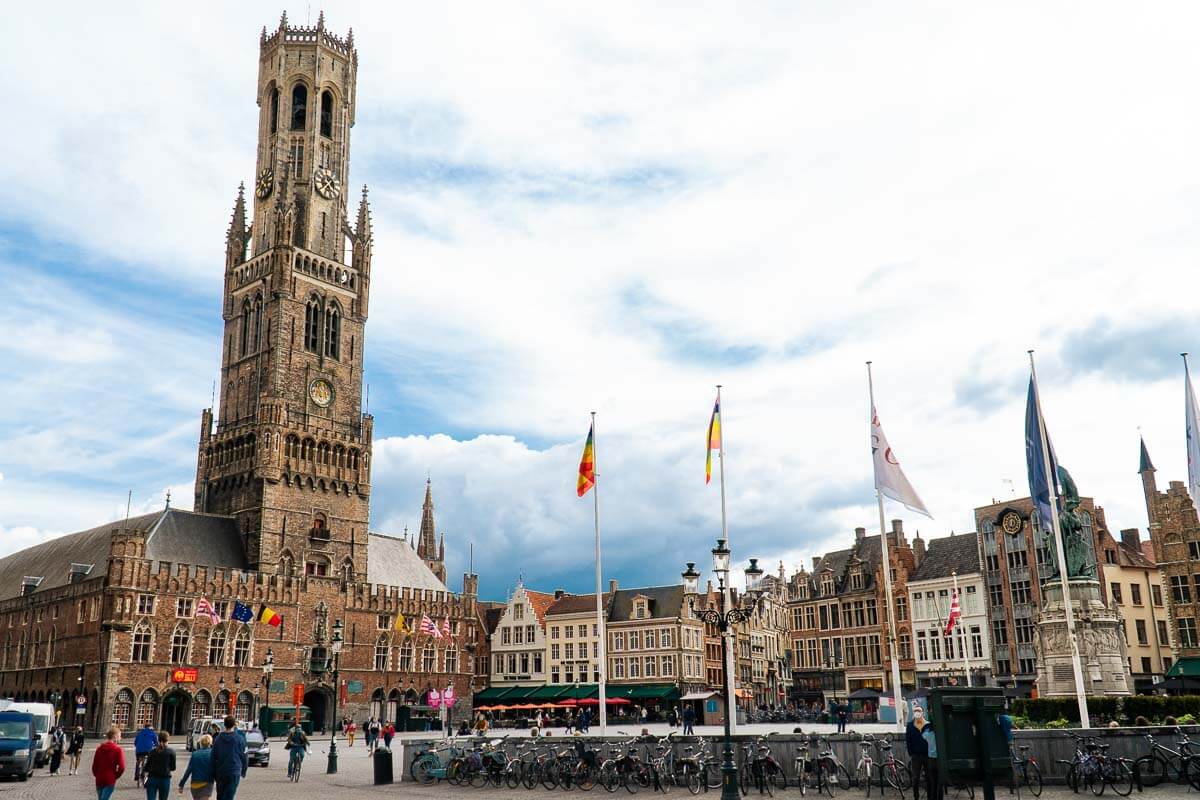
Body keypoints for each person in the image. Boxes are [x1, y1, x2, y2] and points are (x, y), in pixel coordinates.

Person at [210, 716, 248, 800]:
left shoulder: (218, 739)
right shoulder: (239, 739)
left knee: (220, 795)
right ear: (234, 725)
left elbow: (213, 757)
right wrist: (244, 770)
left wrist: (213, 773)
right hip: (234, 770)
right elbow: (244, 756)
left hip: (220, 771)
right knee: (230, 795)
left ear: (224, 724)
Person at [906, 705, 937, 800]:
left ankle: (930, 797)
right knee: (915, 778)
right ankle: (916, 797)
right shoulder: (910, 725)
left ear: (923, 712)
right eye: (915, 711)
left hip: (928, 755)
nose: (917, 712)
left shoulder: (928, 725)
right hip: (916, 756)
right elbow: (908, 740)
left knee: (929, 778)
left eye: (919, 710)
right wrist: (911, 753)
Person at [92, 725, 126, 800]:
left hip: (99, 778)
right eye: (120, 736)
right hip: (110, 778)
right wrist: (115, 776)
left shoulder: (99, 748)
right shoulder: (117, 749)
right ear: (115, 736)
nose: (120, 738)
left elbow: (94, 766)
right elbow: (122, 767)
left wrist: (97, 775)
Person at [179, 733, 215, 799]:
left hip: (194, 785)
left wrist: (182, 784)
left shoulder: (195, 754)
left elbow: (188, 770)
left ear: (201, 743)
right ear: (210, 743)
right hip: (207, 783)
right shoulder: (213, 754)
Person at [142, 730, 175, 800]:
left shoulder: (152, 752)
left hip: (152, 778)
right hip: (164, 779)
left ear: (158, 739)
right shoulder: (171, 752)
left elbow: (147, 767)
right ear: (167, 740)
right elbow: (173, 767)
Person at [134, 722, 158, 786]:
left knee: (138, 761)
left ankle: (137, 775)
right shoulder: (152, 733)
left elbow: (135, 743)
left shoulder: (140, 733)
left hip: (139, 751)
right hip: (148, 750)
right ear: (150, 727)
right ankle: (146, 775)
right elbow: (156, 743)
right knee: (150, 762)